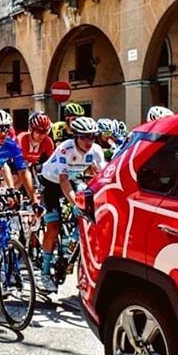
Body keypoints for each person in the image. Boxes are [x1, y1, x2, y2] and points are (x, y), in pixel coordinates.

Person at [39, 116, 105, 293]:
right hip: (51, 182)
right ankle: (44, 273)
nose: (89, 141)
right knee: (54, 225)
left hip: (74, 179)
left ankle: (72, 248)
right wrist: (76, 202)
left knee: (87, 217)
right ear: (76, 136)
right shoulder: (65, 149)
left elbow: (102, 176)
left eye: (92, 136)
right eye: (84, 137)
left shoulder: (96, 150)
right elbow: (63, 180)